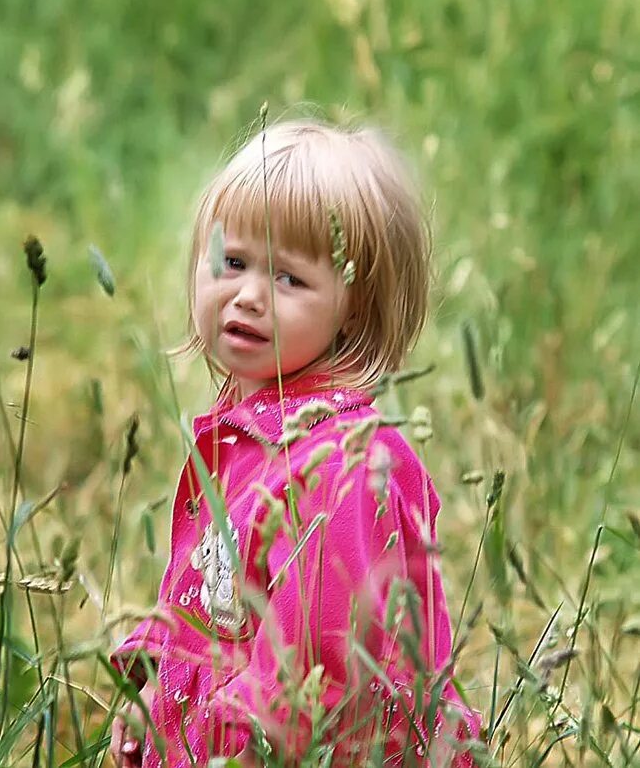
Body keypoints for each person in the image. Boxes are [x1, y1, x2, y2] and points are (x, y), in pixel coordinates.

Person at [109, 119, 482, 767]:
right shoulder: (244, 432)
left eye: (289, 280)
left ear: (354, 309)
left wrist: (245, 739)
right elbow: (203, 595)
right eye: (232, 262)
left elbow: (319, 658)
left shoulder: (341, 464)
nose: (247, 296)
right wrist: (154, 686)